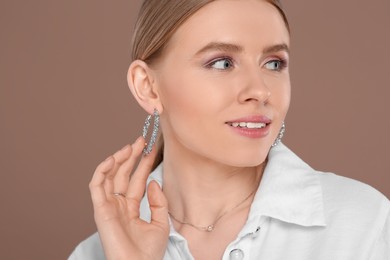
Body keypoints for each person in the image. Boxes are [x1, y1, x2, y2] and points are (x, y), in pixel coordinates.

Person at [69, 0, 389, 259]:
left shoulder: (364, 224)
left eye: (274, 63)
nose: (260, 90)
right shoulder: (94, 253)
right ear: (148, 86)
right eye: (222, 63)